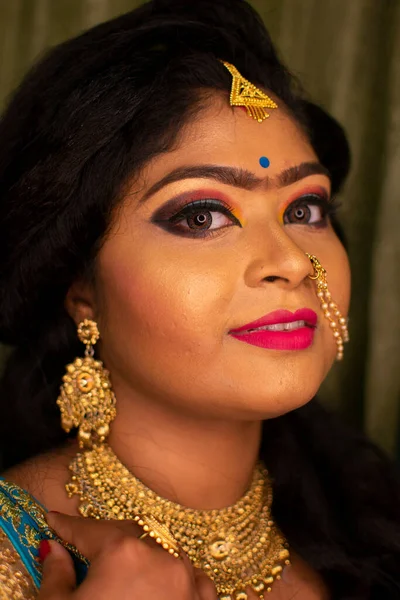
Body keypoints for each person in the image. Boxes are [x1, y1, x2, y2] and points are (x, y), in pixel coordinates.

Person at [0, 0, 399, 598]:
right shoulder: (17, 554)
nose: (291, 262)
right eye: (203, 215)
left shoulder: (368, 526)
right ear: (79, 289)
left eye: (304, 209)